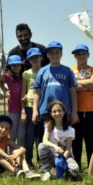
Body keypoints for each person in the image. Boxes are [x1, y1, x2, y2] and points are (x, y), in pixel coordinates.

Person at [32, 41, 78, 171]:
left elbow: (73, 92)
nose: (54, 55)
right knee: (43, 138)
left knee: (62, 137)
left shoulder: (67, 70)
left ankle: (66, 160)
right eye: (51, 52)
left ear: (61, 54)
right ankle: (44, 164)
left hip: (63, 111)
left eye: (57, 52)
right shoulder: (42, 71)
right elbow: (37, 92)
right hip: (44, 110)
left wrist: (74, 111)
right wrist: (35, 110)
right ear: (47, 55)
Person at [0, 115, 40, 179]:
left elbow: (23, 149)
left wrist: (15, 155)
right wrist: (7, 156)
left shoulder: (7, 140)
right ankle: (15, 171)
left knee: (17, 151)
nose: (4, 130)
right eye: (2, 127)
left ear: (9, 131)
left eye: (7, 128)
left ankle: (27, 172)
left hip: (1, 165)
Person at [71, 44, 93, 171]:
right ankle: (76, 166)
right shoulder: (70, 70)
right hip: (76, 110)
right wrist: (88, 88)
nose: (81, 56)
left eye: (83, 53)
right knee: (76, 141)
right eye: (78, 54)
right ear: (75, 56)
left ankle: (91, 166)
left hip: (91, 110)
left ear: (88, 55)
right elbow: (70, 86)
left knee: (91, 140)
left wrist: (77, 85)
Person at [38, 101, 79, 181]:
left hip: (66, 157)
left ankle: (64, 170)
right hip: (53, 157)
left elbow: (68, 149)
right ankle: (47, 172)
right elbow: (45, 140)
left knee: (74, 172)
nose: (57, 113)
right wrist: (55, 146)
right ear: (50, 113)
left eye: (60, 111)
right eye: (54, 111)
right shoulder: (48, 126)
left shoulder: (70, 130)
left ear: (64, 112)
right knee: (41, 146)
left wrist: (62, 161)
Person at [0, 55, 26, 148]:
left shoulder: (24, 76)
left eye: (18, 65)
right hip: (13, 109)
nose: (16, 67)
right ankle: (11, 156)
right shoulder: (7, 76)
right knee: (12, 134)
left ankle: (20, 155)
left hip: (24, 109)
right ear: (9, 66)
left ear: (21, 65)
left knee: (21, 134)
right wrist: (4, 90)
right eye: (13, 65)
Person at [21, 47, 42, 169]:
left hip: (42, 107)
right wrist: (23, 110)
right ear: (29, 60)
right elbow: (23, 93)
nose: (35, 59)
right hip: (29, 108)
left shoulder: (46, 70)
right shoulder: (26, 73)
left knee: (41, 136)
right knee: (30, 136)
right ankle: (28, 160)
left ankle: (41, 160)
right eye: (32, 58)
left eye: (37, 57)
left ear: (41, 57)